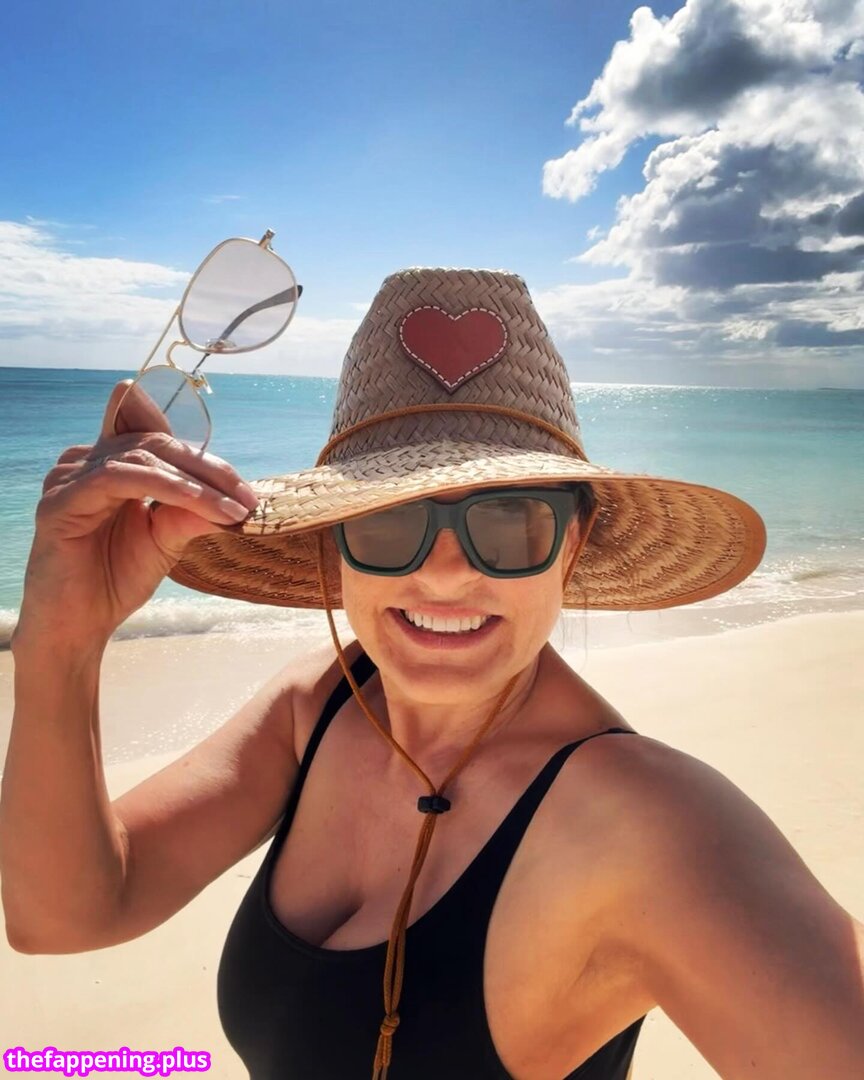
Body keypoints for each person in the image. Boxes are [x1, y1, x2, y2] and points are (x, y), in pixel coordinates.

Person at [2, 266, 862, 1080]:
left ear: (573, 544)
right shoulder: (321, 704)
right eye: (389, 519)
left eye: (510, 520)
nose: (446, 574)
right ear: (335, 542)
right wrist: (64, 639)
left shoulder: (656, 827)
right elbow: (64, 915)